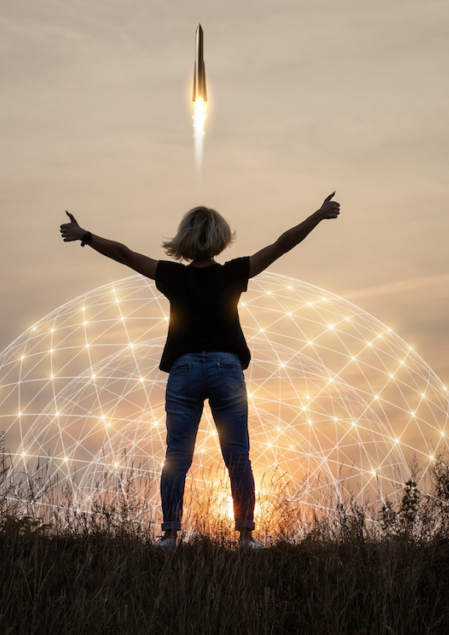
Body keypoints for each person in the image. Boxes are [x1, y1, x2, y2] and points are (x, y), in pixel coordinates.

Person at [59, 193, 341, 549]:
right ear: (220, 239)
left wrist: (85, 235)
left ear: (185, 240)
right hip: (226, 368)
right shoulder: (235, 272)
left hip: (185, 369)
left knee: (177, 455)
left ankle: (171, 535)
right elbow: (283, 244)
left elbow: (125, 254)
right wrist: (317, 215)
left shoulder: (172, 275)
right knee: (237, 455)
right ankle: (245, 537)